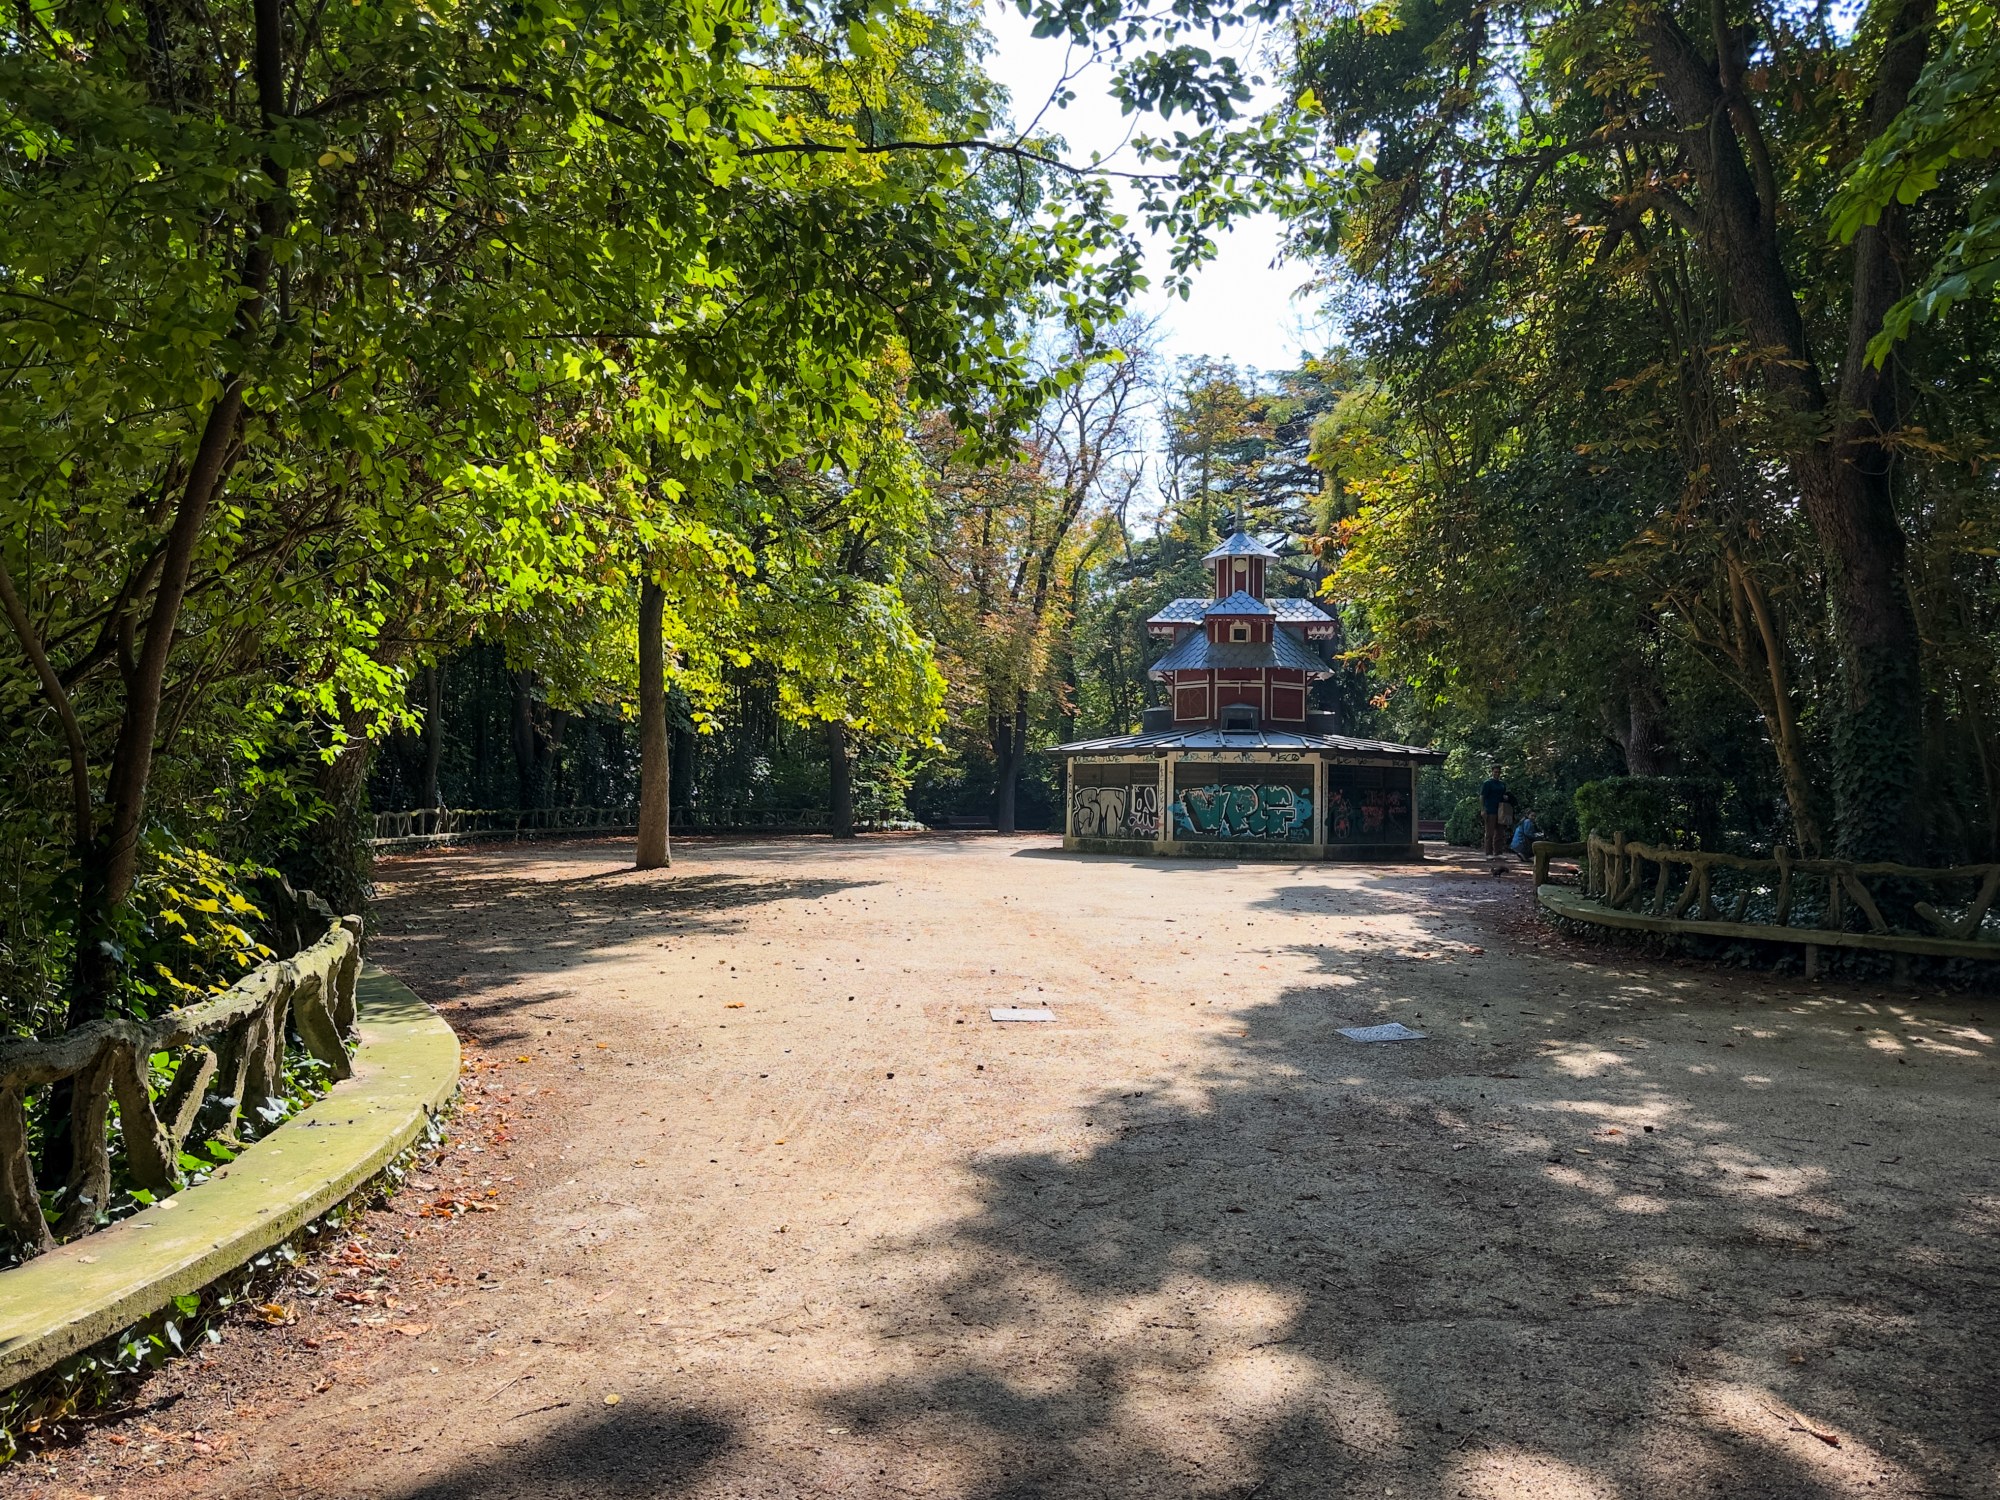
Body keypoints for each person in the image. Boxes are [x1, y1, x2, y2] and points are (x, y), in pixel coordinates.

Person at [1480, 763, 1509, 857]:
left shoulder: (1502, 784)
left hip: (1501, 810)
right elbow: (1482, 796)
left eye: (1499, 772)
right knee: (1489, 833)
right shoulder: (1487, 783)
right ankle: (1488, 852)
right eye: (1495, 771)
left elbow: (1504, 795)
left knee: (1500, 832)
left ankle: (1498, 852)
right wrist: (1483, 809)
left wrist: (1505, 797)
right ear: (1492, 772)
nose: (1497, 773)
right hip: (1490, 810)